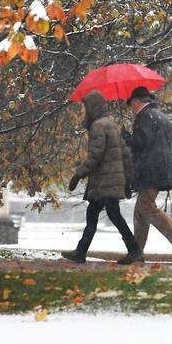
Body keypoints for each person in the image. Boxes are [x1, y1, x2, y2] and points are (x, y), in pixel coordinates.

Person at [62, 91, 144, 265]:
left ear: (92, 107)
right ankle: (81, 251)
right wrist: (127, 180)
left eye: (83, 107)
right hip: (110, 182)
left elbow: (95, 156)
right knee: (95, 213)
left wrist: (78, 174)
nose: (81, 111)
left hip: (106, 182)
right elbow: (126, 154)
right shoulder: (110, 124)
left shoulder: (98, 126)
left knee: (112, 215)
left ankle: (134, 250)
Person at [127, 86, 172, 262]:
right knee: (141, 212)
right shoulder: (160, 116)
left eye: (130, 104)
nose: (130, 108)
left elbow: (141, 143)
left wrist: (126, 137)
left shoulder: (145, 117)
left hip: (150, 171)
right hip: (159, 169)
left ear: (137, 101)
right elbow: (171, 147)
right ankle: (137, 252)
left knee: (146, 208)